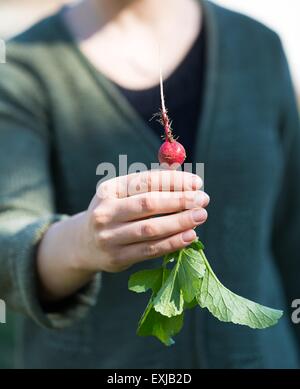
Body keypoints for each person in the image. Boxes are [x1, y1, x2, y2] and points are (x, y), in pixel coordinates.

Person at [0, 0, 299, 369]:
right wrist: (84, 242)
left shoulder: (259, 47)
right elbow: (6, 240)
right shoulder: (22, 65)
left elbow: (293, 231)